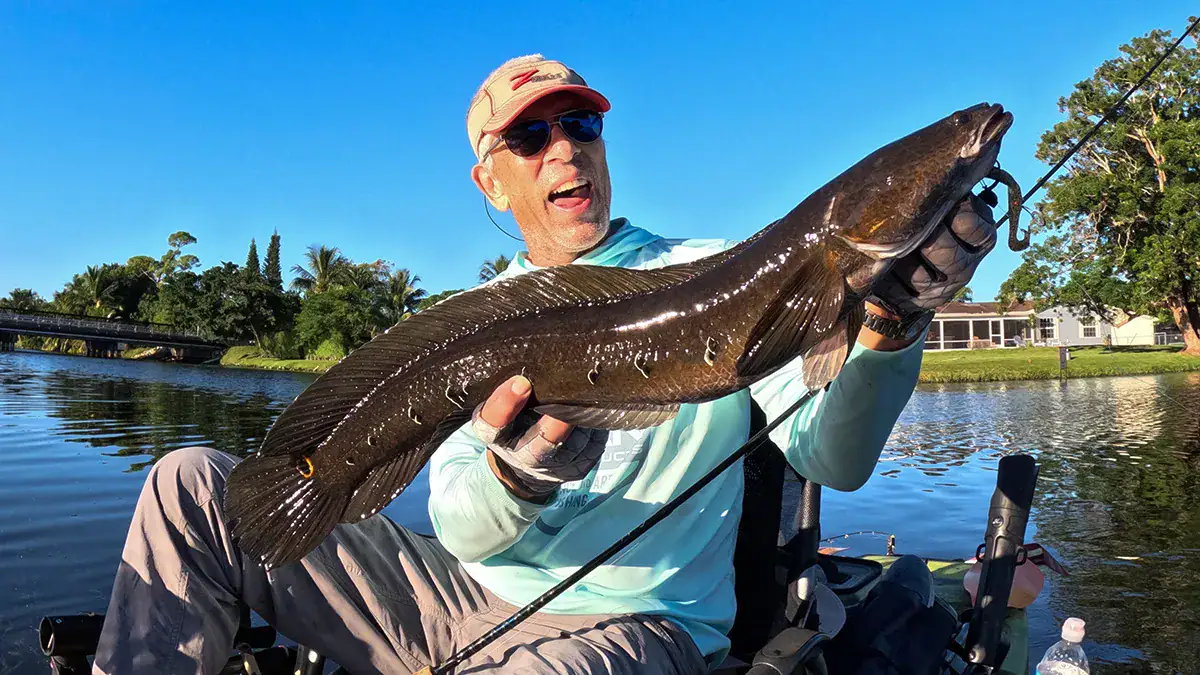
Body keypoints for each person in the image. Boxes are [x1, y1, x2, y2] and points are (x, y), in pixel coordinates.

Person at [91, 54, 998, 675]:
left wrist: (890, 326)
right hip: (457, 598)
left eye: (581, 123)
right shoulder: (469, 324)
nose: (565, 146)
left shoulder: (719, 272)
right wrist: (517, 474)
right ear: (491, 180)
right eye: (530, 137)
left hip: (636, 629)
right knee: (190, 485)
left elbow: (834, 456)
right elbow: (459, 526)